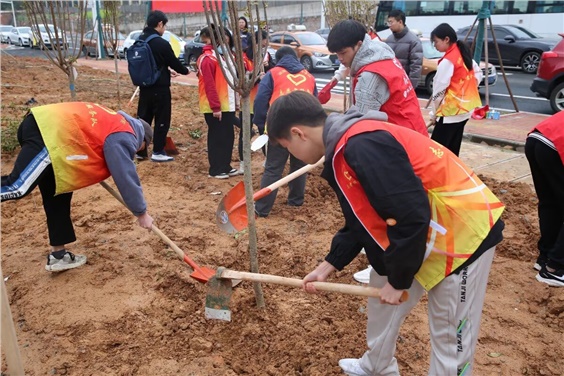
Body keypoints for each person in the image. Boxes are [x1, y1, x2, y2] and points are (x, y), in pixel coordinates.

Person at [266, 91, 505, 376]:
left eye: (287, 147)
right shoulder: (345, 147)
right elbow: (364, 216)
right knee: (380, 294)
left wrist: (400, 279)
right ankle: (376, 365)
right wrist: (329, 264)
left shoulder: (362, 145)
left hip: (463, 233)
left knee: (450, 332)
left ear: (298, 133)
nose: (293, 156)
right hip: (420, 232)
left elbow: (411, 214)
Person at [1, 102, 155, 272]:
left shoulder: (114, 122)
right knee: (17, 187)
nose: (136, 151)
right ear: (143, 141)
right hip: (47, 133)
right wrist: (141, 213)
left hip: (50, 135)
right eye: (141, 149)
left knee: (58, 195)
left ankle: (59, 256)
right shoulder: (124, 134)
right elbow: (125, 175)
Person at [326, 19, 427, 136]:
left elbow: (361, 126)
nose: (340, 58)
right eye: (337, 54)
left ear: (358, 45)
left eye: (343, 53)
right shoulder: (381, 54)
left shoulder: (370, 76)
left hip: (400, 140)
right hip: (414, 130)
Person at [253, 47, 317, 217]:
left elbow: (260, 99)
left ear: (278, 59)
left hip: (279, 128)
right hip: (304, 130)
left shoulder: (273, 74)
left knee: (273, 168)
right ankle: (296, 202)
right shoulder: (308, 77)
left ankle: (262, 209)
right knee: (299, 166)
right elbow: (315, 103)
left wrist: (260, 123)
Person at [136, 10, 189, 163]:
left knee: (143, 119)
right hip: (160, 89)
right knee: (162, 119)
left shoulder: (139, 41)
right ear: (159, 24)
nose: (164, 29)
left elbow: (152, 64)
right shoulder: (161, 43)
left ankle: (141, 150)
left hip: (144, 88)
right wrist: (185, 71)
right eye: (164, 26)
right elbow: (176, 64)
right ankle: (158, 151)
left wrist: (165, 70)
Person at [429, 23, 483, 157]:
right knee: (452, 150)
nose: (435, 45)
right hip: (465, 110)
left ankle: (437, 176)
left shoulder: (448, 61)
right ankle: (452, 175)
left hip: (450, 113)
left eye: (436, 41)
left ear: (446, 39)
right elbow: (478, 74)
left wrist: (434, 114)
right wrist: (465, 90)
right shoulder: (462, 53)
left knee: (437, 152)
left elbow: (438, 92)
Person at [526, 111, 564, 287]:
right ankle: (555, 268)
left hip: (537, 138)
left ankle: (545, 257)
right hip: (556, 145)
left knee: (550, 203)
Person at [197, 26, 238, 179]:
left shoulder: (223, 57)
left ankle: (225, 165)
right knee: (217, 137)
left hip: (227, 104)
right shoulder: (208, 59)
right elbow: (209, 85)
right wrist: (215, 107)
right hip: (215, 107)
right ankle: (216, 168)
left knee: (227, 136)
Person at [385, 9, 423, 89]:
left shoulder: (414, 41)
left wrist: (410, 88)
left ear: (400, 22)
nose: (389, 25)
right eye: (388, 22)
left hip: (404, 86)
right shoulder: (389, 40)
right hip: (390, 85)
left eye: (391, 22)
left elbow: (416, 67)